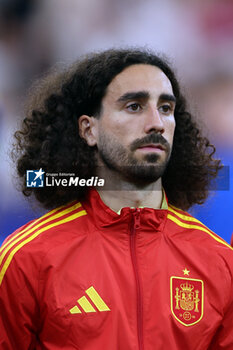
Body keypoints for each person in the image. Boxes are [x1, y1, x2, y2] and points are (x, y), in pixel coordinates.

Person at [0, 49, 232, 350]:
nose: (156, 123)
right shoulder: (25, 259)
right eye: (134, 106)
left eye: (165, 108)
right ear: (89, 129)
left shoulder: (219, 261)